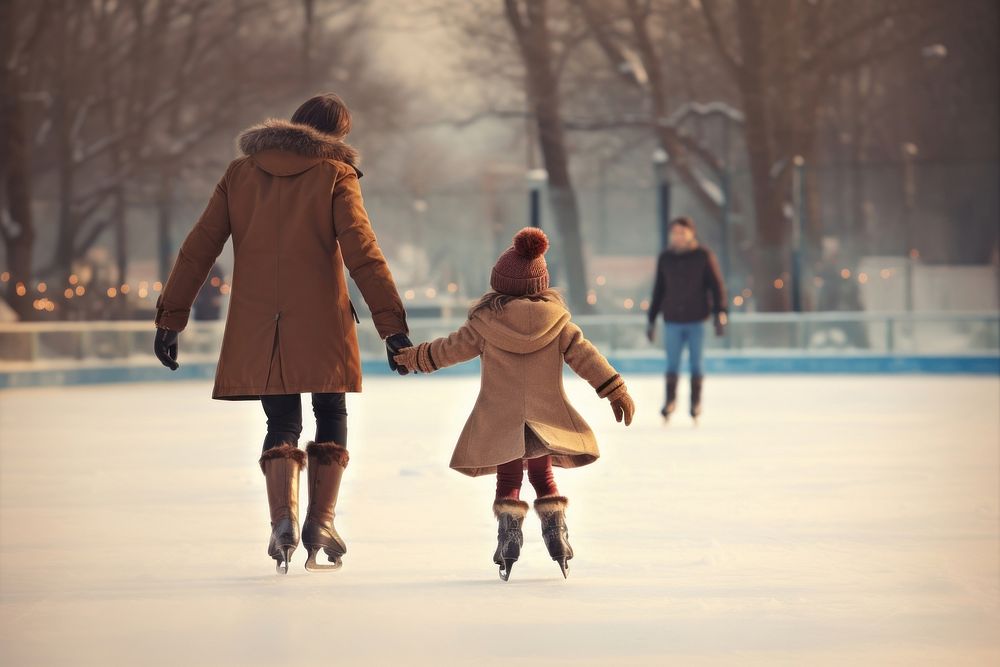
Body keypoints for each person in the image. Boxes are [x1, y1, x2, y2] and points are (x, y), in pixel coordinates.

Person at [152, 93, 413, 574]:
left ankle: (282, 522)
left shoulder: (240, 174)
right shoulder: (336, 174)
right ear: (335, 137)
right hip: (322, 321)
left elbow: (198, 249)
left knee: (282, 422)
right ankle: (320, 523)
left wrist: (171, 317)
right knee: (330, 410)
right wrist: (392, 327)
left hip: (258, 324)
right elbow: (363, 253)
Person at [392, 228, 635, 581]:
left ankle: (509, 536)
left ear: (499, 283)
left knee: (509, 477)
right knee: (542, 473)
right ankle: (556, 532)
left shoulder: (484, 324)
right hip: (545, 421)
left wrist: (413, 358)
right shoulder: (559, 323)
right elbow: (587, 357)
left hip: (500, 418)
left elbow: (448, 349)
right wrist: (615, 389)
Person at [646, 217, 727, 421]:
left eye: (682, 233)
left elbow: (716, 287)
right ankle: (670, 402)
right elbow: (659, 290)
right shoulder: (665, 258)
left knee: (696, 363)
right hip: (672, 319)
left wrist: (720, 313)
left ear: (691, 234)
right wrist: (652, 319)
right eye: (675, 233)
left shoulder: (703, 256)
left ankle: (695, 403)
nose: (679, 237)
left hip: (697, 319)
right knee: (672, 364)